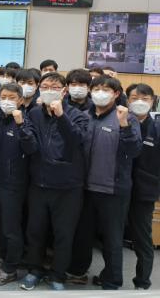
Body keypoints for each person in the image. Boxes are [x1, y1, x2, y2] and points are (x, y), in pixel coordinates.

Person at [67, 75, 142, 290]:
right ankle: (78, 271)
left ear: (116, 94)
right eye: (97, 88)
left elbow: (134, 150)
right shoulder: (84, 116)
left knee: (112, 238)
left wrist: (124, 125)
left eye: (106, 89)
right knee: (82, 234)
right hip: (84, 187)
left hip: (113, 189)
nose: (100, 93)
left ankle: (112, 280)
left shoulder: (127, 118)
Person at [20, 72, 89, 291]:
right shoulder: (34, 113)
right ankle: (34, 270)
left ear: (64, 91)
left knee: (63, 234)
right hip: (39, 183)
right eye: (45, 86)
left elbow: (77, 139)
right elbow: (29, 147)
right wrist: (23, 130)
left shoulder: (78, 115)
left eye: (55, 87)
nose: (49, 90)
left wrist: (61, 116)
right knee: (35, 231)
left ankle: (58, 275)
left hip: (68, 186)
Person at [0, 83, 38, 286]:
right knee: (0, 223)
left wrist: (20, 125)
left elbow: (31, 147)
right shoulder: (0, 119)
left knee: (11, 227)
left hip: (14, 183)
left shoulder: (25, 120)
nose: (6, 101)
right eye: (3, 97)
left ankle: (11, 268)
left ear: (20, 100)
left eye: (11, 98)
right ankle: (5, 256)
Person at [125, 83, 160, 290]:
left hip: (144, 192)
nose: (139, 102)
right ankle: (109, 275)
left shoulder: (157, 128)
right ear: (127, 100)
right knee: (111, 236)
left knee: (142, 238)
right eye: (134, 98)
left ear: (152, 101)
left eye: (145, 98)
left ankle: (142, 282)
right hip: (117, 188)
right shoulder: (120, 121)